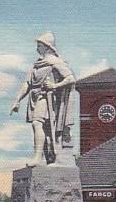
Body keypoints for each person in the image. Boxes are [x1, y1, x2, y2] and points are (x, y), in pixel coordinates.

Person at [9, 31, 76, 167]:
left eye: (39, 45)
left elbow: (70, 78)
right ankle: (49, 158)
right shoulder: (37, 65)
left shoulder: (55, 62)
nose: (37, 48)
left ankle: (37, 158)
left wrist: (54, 85)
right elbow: (27, 83)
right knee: (45, 131)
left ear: (46, 46)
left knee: (37, 124)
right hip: (34, 97)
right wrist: (17, 100)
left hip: (46, 98)